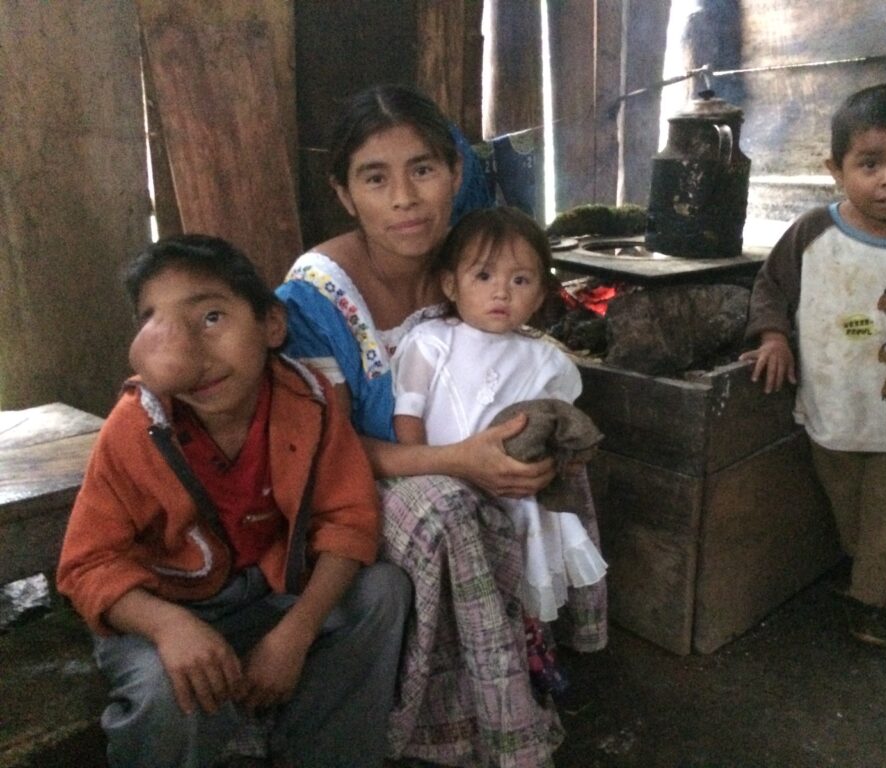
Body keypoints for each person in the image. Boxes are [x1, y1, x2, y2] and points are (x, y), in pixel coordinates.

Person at [275, 85, 607, 767]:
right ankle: (482, 723)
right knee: (449, 509)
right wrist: (458, 461)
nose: (405, 198)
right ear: (345, 194)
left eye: (423, 169)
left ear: (455, 175)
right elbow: (325, 452)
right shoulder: (314, 297)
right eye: (376, 177)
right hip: (360, 481)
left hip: (459, 463)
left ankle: (536, 655)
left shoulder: (475, 261)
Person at [57, 234, 411, 768]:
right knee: (164, 688)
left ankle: (320, 751)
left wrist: (296, 632)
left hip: (264, 593)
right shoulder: (136, 428)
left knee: (383, 591)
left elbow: (348, 520)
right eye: (161, 325)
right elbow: (86, 565)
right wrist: (170, 628)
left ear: (271, 324)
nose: (190, 354)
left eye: (212, 318)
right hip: (163, 605)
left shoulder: (307, 400)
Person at [741, 83, 886, 648]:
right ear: (836, 169)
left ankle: (871, 601)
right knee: (849, 509)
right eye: (870, 163)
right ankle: (866, 568)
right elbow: (771, 286)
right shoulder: (812, 234)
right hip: (832, 416)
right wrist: (773, 336)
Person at [390, 206, 607, 696]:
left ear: (541, 294)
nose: (501, 292)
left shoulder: (545, 357)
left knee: (522, 582)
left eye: (521, 279)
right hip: (448, 488)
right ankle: (464, 670)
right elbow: (409, 413)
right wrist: (425, 478)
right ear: (451, 285)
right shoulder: (431, 343)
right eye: (483, 275)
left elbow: (557, 423)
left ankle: (529, 646)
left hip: (516, 492)